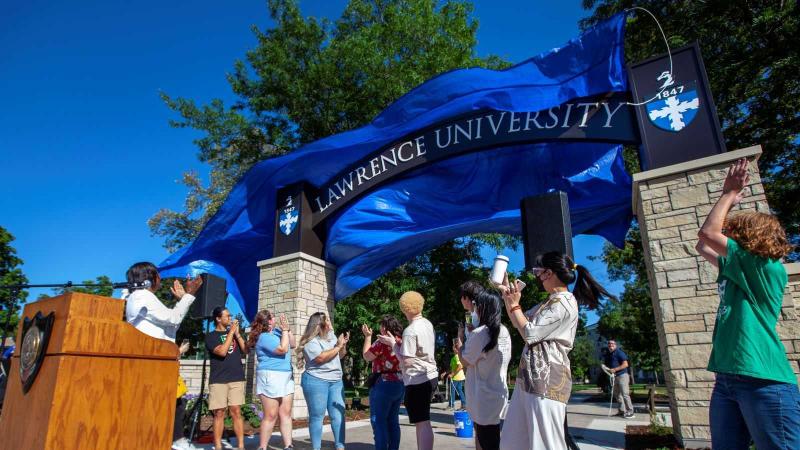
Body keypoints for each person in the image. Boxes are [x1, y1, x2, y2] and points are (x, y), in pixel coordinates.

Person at [695, 158, 800, 449]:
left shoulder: (767, 268)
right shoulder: (737, 268)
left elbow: (708, 234)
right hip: (727, 380)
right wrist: (724, 198)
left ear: (749, 237)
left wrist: (729, 193)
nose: (726, 234)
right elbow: (702, 245)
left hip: (764, 381)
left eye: (733, 231)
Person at [499, 252, 613, 450]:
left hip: (547, 379)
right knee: (513, 441)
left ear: (549, 273)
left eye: (538, 272)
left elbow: (530, 333)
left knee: (546, 443)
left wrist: (515, 305)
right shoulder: (550, 301)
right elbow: (520, 321)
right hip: (530, 378)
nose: (537, 277)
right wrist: (509, 299)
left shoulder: (564, 302)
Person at [122, 261, 203, 450]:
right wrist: (189, 295)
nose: (161, 279)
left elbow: (169, 324)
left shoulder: (139, 297)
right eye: (158, 275)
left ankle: (174, 440)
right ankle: (176, 441)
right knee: (173, 403)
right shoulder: (143, 296)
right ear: (150, 279)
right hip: (153, 362)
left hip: (156, 361)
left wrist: (181, 301)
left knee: (176, 401)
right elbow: (173, 318)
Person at [377, 291, 438, 450]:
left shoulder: (410, 331)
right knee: (424, 421)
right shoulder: (427, 324)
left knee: (422, 422)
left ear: (404, 309)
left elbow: (406, 361)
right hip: (431, 375)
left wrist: (392, 344)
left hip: (418, 380)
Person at [455, 289, 512, 450]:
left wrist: (459, 346)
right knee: (493, 439)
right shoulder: (503, 330)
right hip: (498, 392)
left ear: (483, 308)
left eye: (475, 305)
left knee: (487, 440)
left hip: (482, 397)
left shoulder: (481, 333)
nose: (474, 308)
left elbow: (465, 361)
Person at [296, 312, 349, 450]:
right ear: (320, 325)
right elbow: (320, 358)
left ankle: (340, 446)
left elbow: (341, 355)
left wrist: (342, 345)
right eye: (328, 321)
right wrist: (337, 347)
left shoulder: (331, 336)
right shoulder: (310, 342)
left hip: (336, 381)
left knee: (338, 415)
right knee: (317, 416)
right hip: (316, 381)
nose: (331, 324)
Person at [247, 310, 296, 450]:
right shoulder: (264, 337)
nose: (275, 318)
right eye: (273, 317)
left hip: (286, 376)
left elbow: (292, 344)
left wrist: (288, 330)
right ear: (268, 321)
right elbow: (282, 349)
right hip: (271, 376)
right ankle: (262, 447)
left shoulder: (278, 332)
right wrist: (285, 331)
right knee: (271, 414)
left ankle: (288, 445)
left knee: (285, 412)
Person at [205, 306, 247, 450]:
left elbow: (246, 350)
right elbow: (222, 352)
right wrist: (231, 333)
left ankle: (241, 446)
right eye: (227, 316)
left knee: (236, 410)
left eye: (230, 316)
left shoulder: (234, 334)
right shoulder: (211, 336)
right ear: (218, 318)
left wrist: (238, 334)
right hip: (218, 379)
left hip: (236, 377)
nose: (230, 318)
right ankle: (218, 446)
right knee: (219, 413)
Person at [361, 315, 405, 450]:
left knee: (378, 421)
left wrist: (367, 337)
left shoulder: (381, 342)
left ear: (385, 328)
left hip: (383, 385)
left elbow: (367, 356)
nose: (380, 328)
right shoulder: (401, 341)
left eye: (381, 326)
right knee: (393, 421)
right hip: (399, 384)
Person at [604, 339, 634, 418]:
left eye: (612, 344)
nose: (610, 345)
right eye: (609, 344)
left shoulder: (619, 353)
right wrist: (607, 369)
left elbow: (625, 364)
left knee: (625, 394)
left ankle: (630, 411)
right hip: (615, 377)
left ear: (615, 345)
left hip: (623, 375)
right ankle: (622, 411)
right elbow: (611, 367)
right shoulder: (610, 355)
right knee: (617, 395)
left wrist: (615, 370)